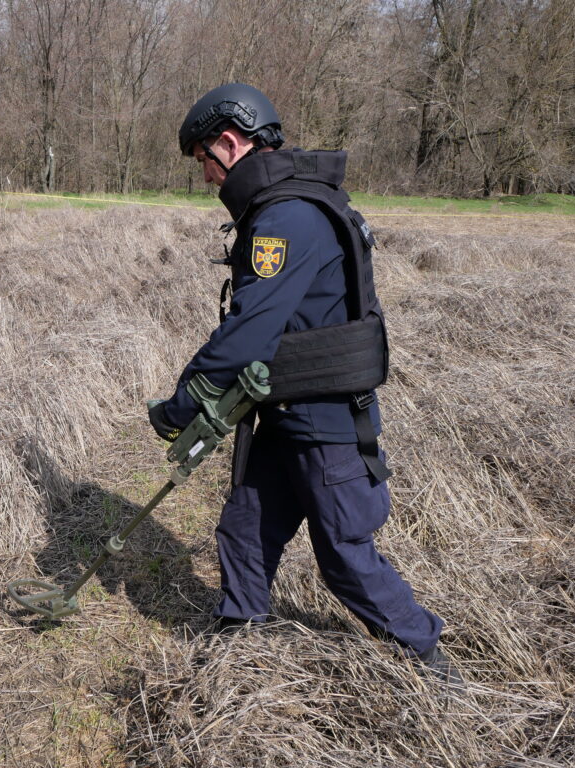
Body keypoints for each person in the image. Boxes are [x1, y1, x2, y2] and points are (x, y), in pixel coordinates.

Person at [148, 83, 461, 685]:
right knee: (245, 526)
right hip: (285, 411)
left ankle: (428, 659)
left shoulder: (287, 217)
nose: (207, 179)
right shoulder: (283, 208)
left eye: (203, 162)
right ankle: (240, 638)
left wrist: (182, 403)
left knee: (343, 556)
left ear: (231, 143)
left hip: (324, 420)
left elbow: (250, 332)